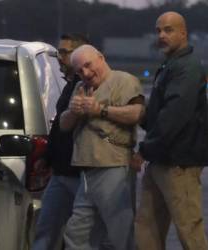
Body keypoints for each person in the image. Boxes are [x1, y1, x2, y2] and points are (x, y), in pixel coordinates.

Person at [133, 11, 208, 250]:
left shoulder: (188, 67)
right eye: (158, 31)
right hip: (160, 160)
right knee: (147, 226)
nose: (162, 35)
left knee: (189, 231)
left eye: (168, 30)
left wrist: (145, 149)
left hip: (179, 164)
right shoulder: (171, 64)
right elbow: (158, 115)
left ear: (183, 33)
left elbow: (174, 117)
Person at [60, 44, 144, 250]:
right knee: (77, 231)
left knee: (119, 230)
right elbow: (63, 125)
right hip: (87, 168)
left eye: (88, 65)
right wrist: (73, 112)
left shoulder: (124, 80)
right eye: (80, 71)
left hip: (113, 165)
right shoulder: (81, 88)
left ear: (101, 57)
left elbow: (137, 113)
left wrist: (101, 110)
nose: (86, 73)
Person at [32, 34, 89, 250]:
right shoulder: (69, 86)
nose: (59, 57)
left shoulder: (89, 85)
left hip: (79, 174)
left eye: (64, 52)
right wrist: (47, 157)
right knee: (46, 229)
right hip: (60, 173)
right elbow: (58, 129)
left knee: (76, 236)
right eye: (59, 52)